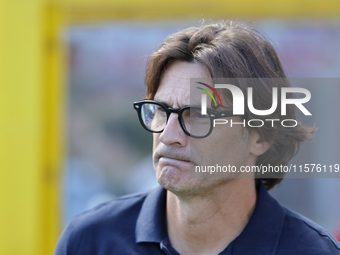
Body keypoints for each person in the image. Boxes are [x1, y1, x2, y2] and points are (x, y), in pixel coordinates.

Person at [55, 20, 340, 255]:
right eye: (161, 111)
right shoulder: (90, 241)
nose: (169, 136)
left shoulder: (311, 251)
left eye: (199, 114)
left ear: (260, 137)